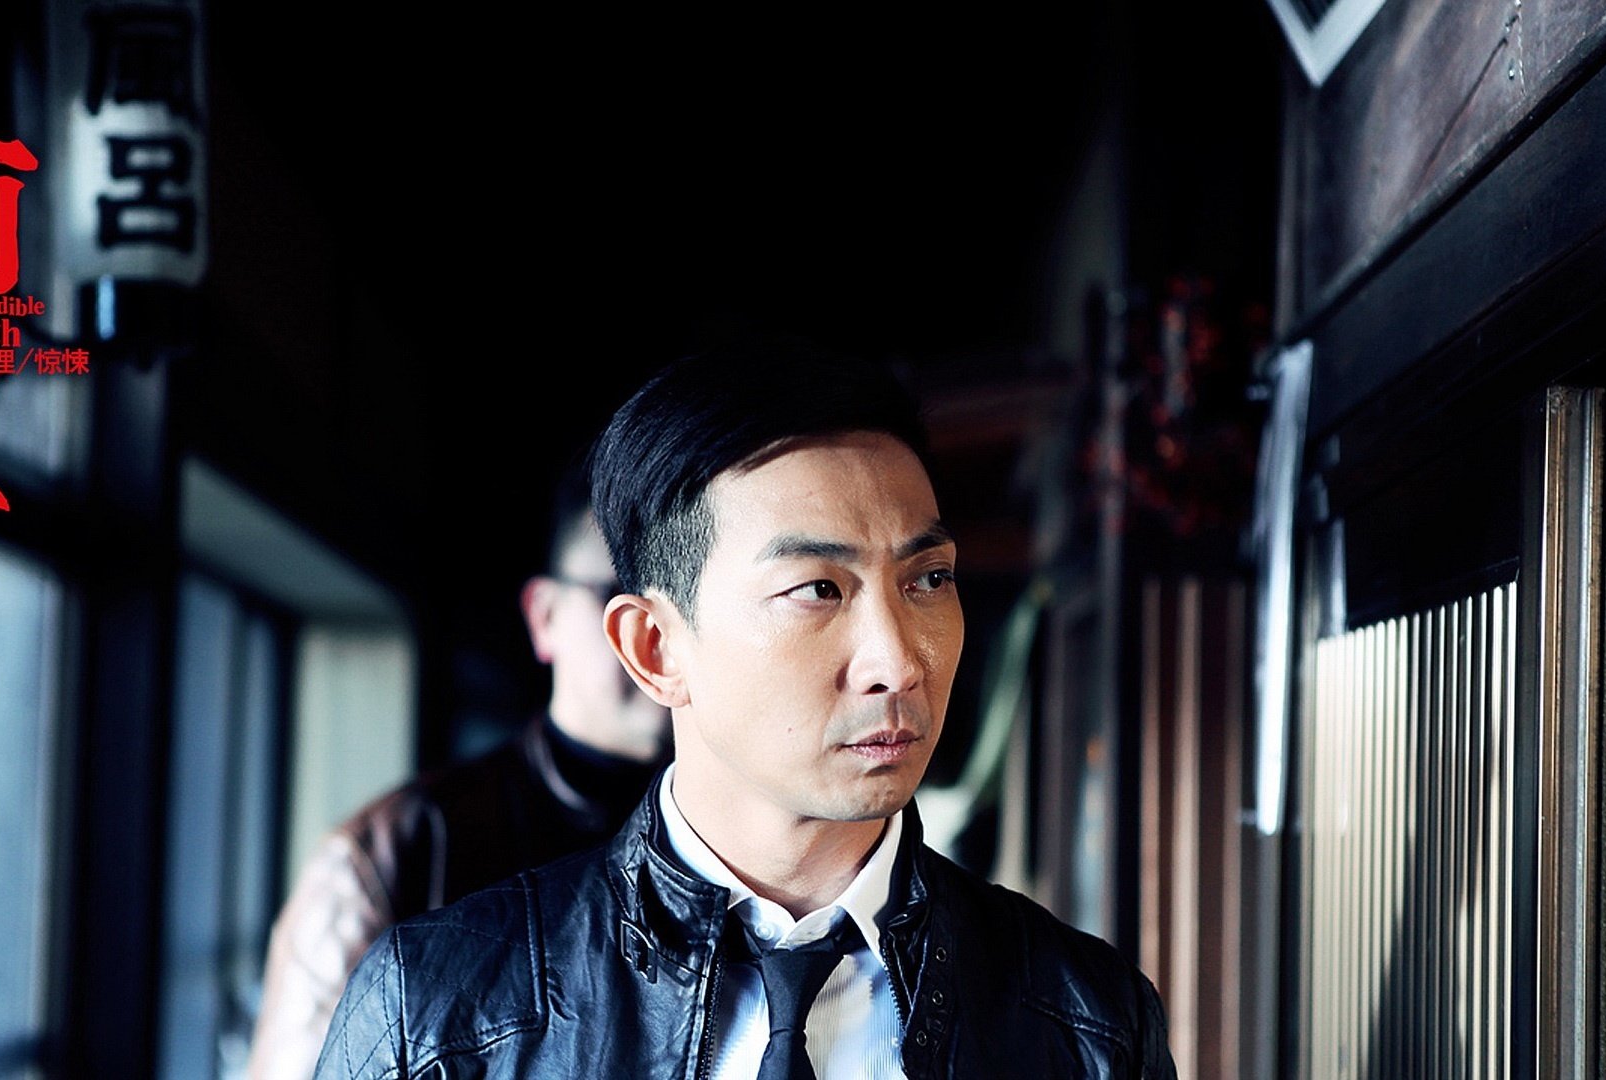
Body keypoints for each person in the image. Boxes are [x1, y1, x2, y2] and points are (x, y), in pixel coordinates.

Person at [314, 341, 1176, 1079]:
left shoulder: (1088, 1024)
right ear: (655, 648)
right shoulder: (439, 1015)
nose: (899, 661)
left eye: (928, 579)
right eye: (818, 589)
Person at [246, 478, 670, 1080]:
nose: (655, 635)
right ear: (544, 616)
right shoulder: (392, 852)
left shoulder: (747, 839)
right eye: (620, 594)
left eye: (678, 600)